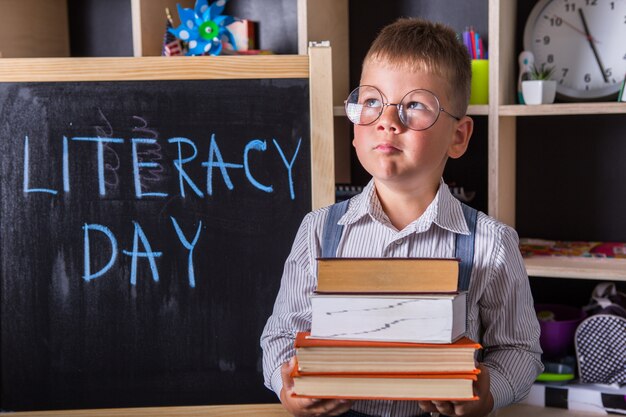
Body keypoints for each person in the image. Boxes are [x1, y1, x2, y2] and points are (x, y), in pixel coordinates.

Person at [261, 17, 543, 417]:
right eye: (372, 101)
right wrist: (287, 384)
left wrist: (489, 392)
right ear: (355, 125)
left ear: (458, 136)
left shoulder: (491, 242)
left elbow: (519, 349)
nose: (388, 121)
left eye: (415, 105)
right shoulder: (318, 231)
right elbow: (280, 336)